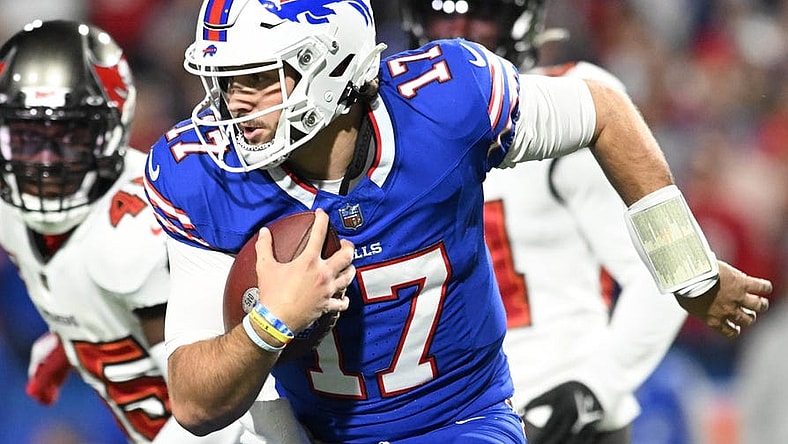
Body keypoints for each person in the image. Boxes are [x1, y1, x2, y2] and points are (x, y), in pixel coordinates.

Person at [143, 1, 772, 442]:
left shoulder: (446, 102)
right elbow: (196, 403)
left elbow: (601, 110)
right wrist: (267, 325)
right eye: (223, 83)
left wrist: (689, 270)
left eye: (255, 79)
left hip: (458, 419)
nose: (231, 106)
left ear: (330, 70)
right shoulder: (203, 173)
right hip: (306, 427)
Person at [400, 1, 689, 443]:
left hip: (561, 414)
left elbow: (662, 274)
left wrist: (593, 390)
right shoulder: (389, 130)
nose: (458, 33)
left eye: (481, 13)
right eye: (441, 13)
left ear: (519, 21)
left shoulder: (572, 104)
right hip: (458, 418)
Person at [0, 20, 241, 444]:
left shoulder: (135, 234)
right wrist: (78, 333)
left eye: (69, 136)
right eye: (25, 136)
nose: (44, 160)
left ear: (110, 131)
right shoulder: (13, 212)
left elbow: (217, 403)